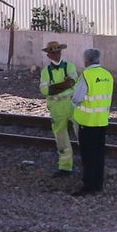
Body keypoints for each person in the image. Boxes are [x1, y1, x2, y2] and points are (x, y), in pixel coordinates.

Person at [71, 47, 114, 196]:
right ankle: (98, 184)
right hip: (102, 121)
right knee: (99, 154)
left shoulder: (86, 75)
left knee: (88, 155)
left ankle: (88, 185)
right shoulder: (107, 75)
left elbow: (77, 98)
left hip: (87, 123)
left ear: (86, 60)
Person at [39, 41, 80, 178]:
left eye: (57, 52)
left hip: (71, 103)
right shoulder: (46, 71)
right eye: (53, 52)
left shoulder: (70, 66)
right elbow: (45, 90)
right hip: (57, 106)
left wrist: (55, 87)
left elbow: (72, 82)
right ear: (48, 55)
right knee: (61, 137)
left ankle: (88, 162)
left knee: (82, 133)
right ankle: (65, 167)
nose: (56, 55)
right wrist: (65, 84)